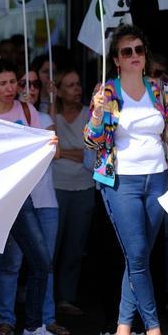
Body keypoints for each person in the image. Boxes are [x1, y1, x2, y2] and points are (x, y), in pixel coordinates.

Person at [84, 24, 168, 335]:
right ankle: (153, 329)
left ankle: (123, 327)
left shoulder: (159, 90)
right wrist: (97, 115)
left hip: (157, 181)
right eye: (127, 51)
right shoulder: (108, 92)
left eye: (139, 50)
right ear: (116, 60)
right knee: (138, 253)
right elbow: (93, 142)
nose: (135, 55)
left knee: (138, 258)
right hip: (119, 182)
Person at [0, 60, 63, 335]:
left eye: (14, 82)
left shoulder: (27, 110)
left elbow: (50, 150)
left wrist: (49, 144)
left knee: (41, 261)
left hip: (21, 199)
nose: (10, 88)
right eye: (2, 83)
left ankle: (33, 327)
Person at [50, 67, 95, 318]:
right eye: (69, 85)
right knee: (52, 247)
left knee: (75, 247)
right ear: (58, 90)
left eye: (78, 84)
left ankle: (66, 297)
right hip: (55, 187)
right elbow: (47, 148)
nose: (76, 89)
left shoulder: (90, 114)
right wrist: (74, 152)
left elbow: (89, 154)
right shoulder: (51, 114)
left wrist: (62, 152)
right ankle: (47, 298)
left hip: (83, 187)